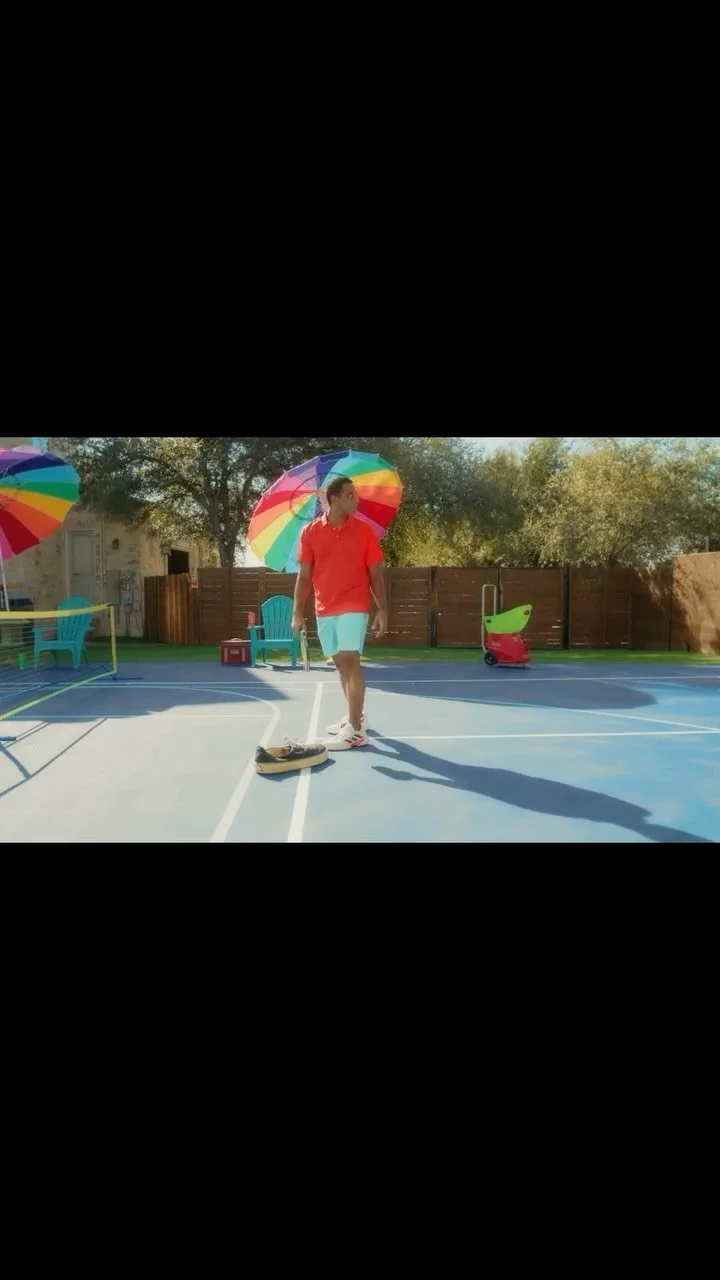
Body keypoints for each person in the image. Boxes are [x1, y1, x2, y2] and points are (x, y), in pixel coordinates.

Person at [291, 475, 387, 749]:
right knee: (340, 664)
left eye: (356, 495)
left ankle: (355, 731)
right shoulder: (310, 532)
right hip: (324, 607)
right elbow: (304, 576)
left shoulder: (364, 532)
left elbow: (376, 574)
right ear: (333, 499)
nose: (356, 500)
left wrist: (383, 608)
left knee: (350, 661)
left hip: (354, 605)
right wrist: (297, 612)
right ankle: (357, 717)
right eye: (350, 495)